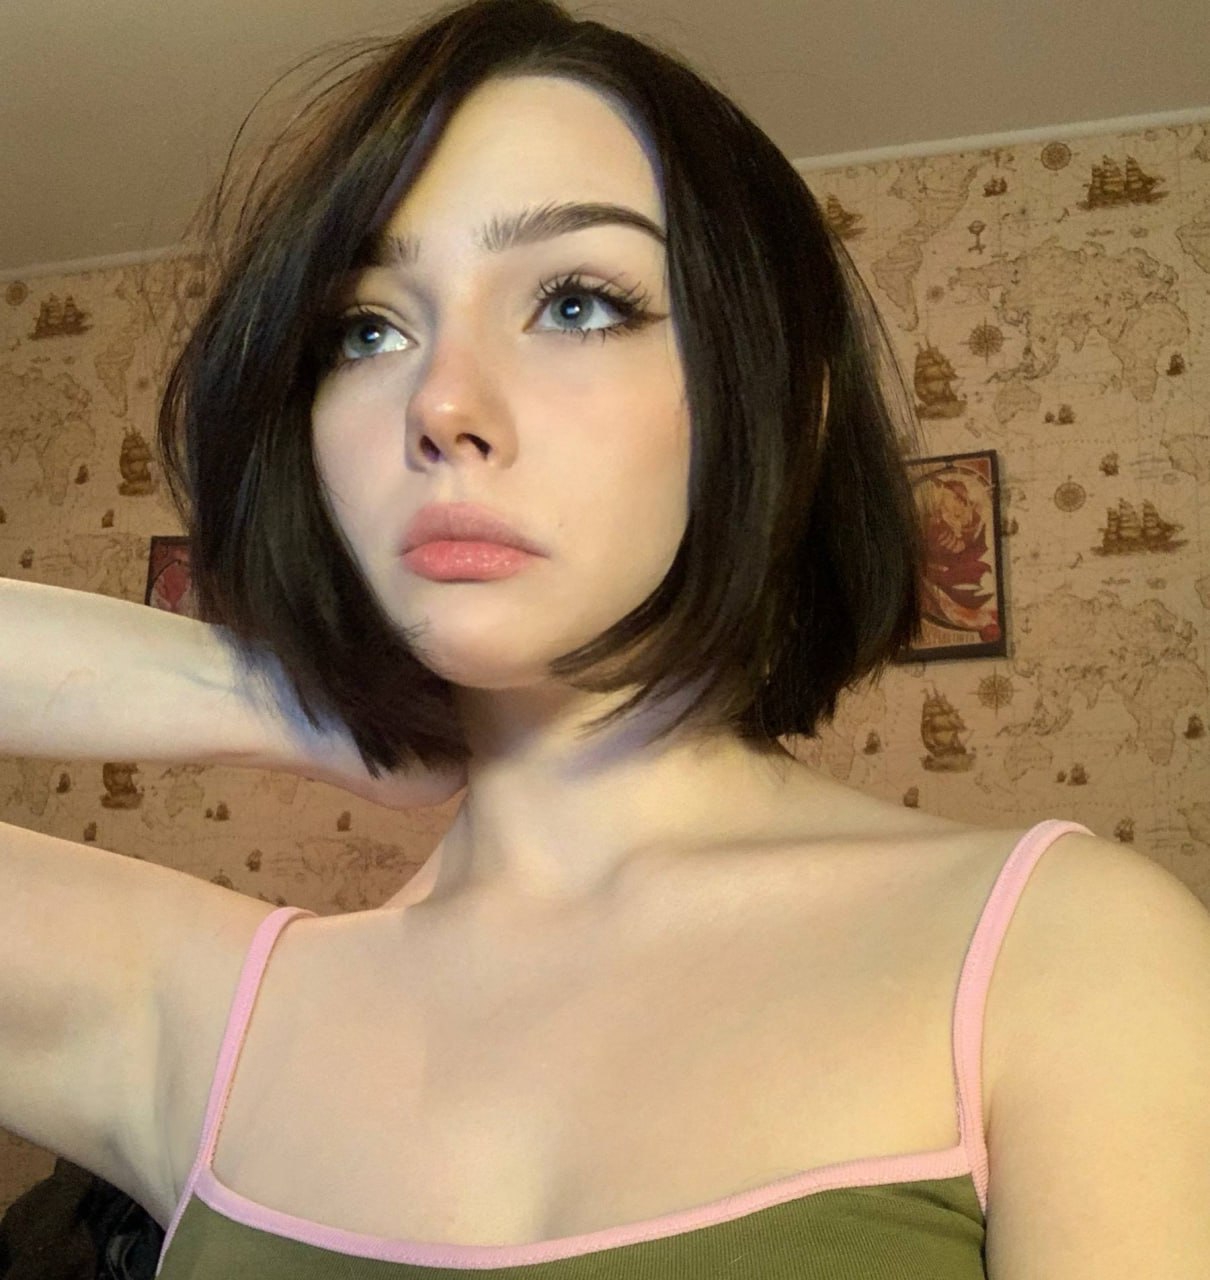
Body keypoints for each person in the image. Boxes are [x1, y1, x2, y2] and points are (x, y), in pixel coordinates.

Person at [4, 1, 1208, 1276]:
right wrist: (285, 693)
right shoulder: (203, 1020)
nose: (441, 402)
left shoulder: (1058, 949)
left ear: (778, 400)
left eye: (578, 302)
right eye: (368, 328)